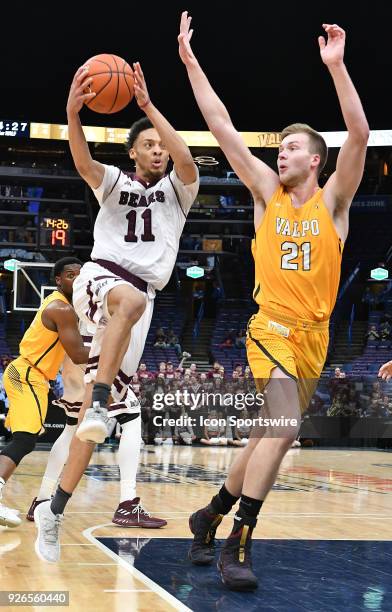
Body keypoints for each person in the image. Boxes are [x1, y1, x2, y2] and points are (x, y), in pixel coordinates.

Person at [178, 12, 368, 590]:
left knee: (267, 435)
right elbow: (221, 125)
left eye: (290, 149)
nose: (280, 154)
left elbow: (357, 134)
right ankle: (240, 539)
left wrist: (336, 68)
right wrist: (190, 62)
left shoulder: (333, 203)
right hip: (271, 329)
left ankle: (209, 513)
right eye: (278, 149)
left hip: (315, 337)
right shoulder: (266, 192)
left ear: (316, 160)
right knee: (283, 427)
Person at [34, 59, 199, 562]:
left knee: (89, 422)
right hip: (101, 280)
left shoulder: (180, 190)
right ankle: (102, 396)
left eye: (161, 145)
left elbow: (188, 158)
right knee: (127, 301)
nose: (158, 150)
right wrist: (73, 112)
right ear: (132, 153)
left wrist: (148, 106)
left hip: (140, 306)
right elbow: (82, 161)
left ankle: (53, 509)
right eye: (148, 143)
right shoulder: (112, 182)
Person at [27, 330, 165, 528]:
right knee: (132, 416)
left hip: (73, 351)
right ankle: (127, 502)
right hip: (96, 351)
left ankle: (41, 499)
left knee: (71, 428)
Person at [0, 258, 89, 527]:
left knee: (22, 439)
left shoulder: (64, 305)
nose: (78, 279)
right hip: (28, 373)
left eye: (81, 275)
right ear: (59, 280)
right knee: (25, 440)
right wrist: (114, 349)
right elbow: (77, 353)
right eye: (71, 275)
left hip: (30, 374)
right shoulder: (61, 309)